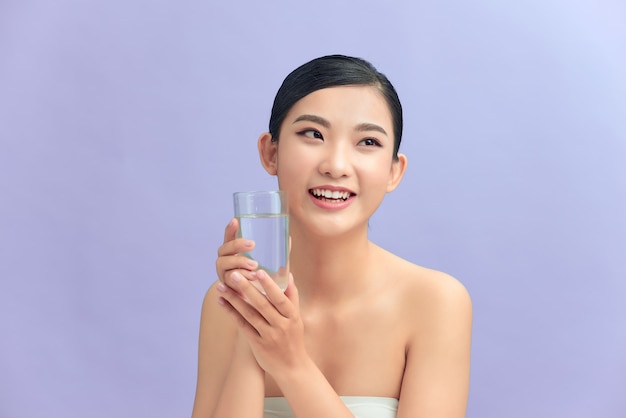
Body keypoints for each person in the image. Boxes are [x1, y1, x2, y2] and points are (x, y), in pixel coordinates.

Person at [191, 54, 472, 418]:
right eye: (313, 134)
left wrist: (291, 364)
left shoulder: (436, 303)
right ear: (270, 152)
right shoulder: (226, 303)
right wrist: (253, 320)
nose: (336, 166)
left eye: (368, 142)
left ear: (393, 171)